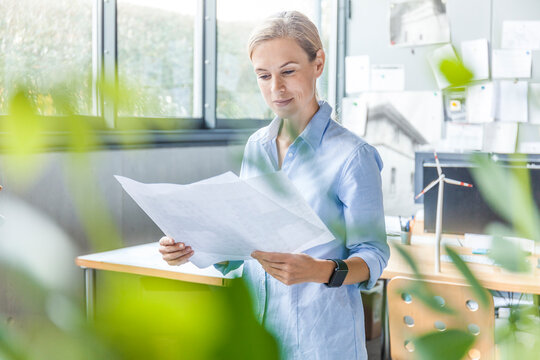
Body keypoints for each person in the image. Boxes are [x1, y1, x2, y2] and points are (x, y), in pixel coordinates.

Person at [158, 11, 389, 359]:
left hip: (321, 343)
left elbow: (374, 254)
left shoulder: (353, 156)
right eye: (263, 76)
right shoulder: (256, 146)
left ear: (318, 63)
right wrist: (192, 246)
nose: (275, 88)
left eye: (288, 71)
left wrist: (321, 270)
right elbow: (242, 244)